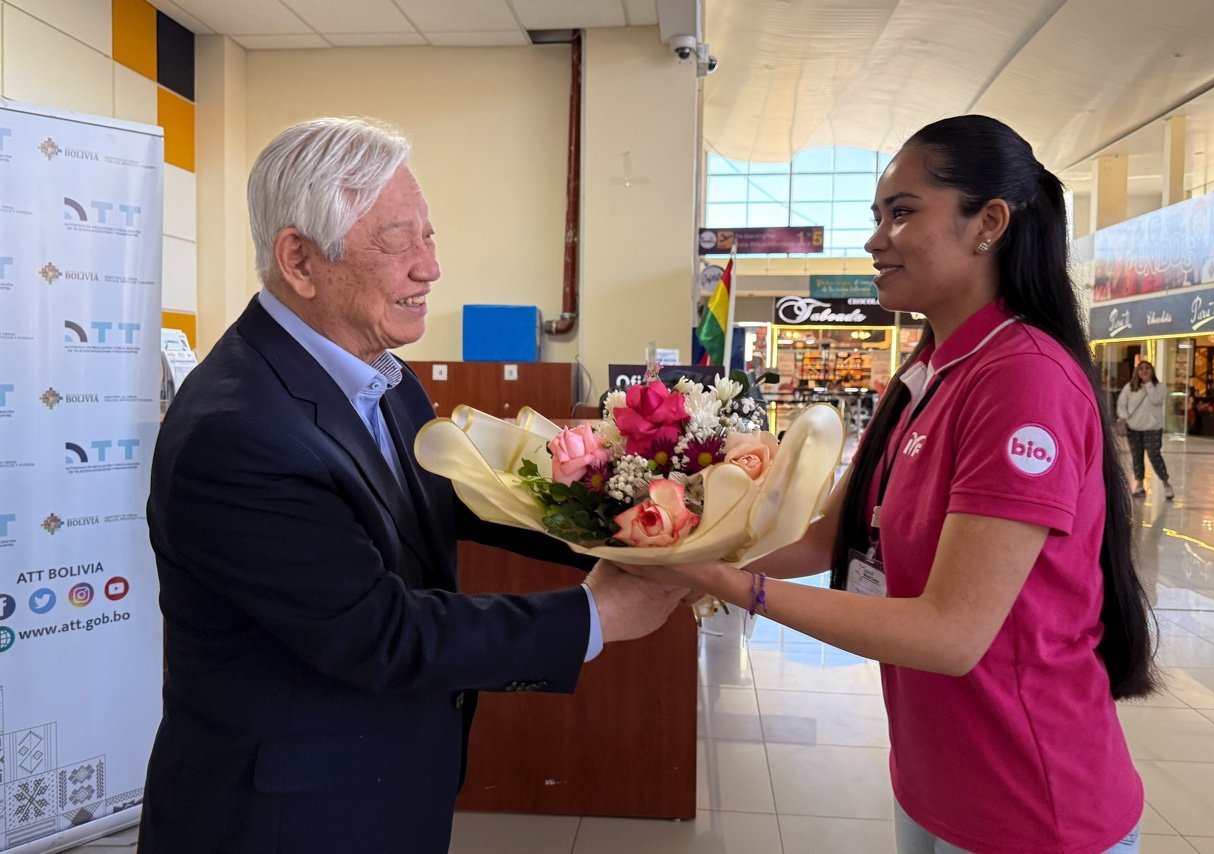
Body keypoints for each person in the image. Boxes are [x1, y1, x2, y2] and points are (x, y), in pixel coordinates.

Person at [138, 117, 684, 854]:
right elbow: (379, 632)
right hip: (285, 815)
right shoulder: (236, 429)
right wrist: (596, 614)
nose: (429, 269)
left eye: (430, 237)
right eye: (397, 242)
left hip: (388, 775)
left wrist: (632, 521)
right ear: (299, 259)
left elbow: (451, 496)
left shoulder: (381, 376)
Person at [616, 115, 1157, 854]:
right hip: (935, 779)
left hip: (1032, 803)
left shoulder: (1022, 379)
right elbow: (820, 539)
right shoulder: (925, 372)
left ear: (988, 223)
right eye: (877, 215)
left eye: (901, 213)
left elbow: (951, 632)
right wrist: (668, 551)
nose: (876, 239)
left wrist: (732, 585)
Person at [1116, 360, 1174, 499]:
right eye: (1141, 369)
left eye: (1147, 368)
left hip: (1153, 428)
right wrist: (1125, 417)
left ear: (1152, 371)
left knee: (1154, 455)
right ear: (1137, 372)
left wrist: (1148, 384)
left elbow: (1157, 400)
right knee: (1137, 457)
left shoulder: (1159, 387)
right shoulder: (1129, 387)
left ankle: (1166, 484)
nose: (1144, 371)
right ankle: (1140, 484)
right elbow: (1121, 404)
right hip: (1133, 428)